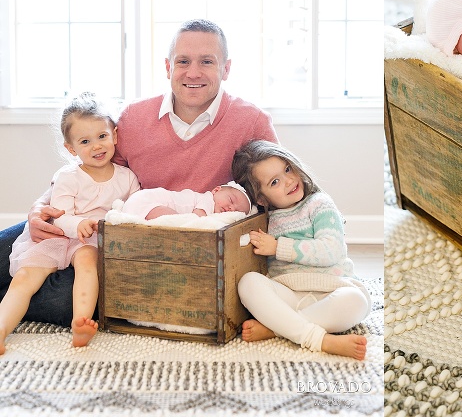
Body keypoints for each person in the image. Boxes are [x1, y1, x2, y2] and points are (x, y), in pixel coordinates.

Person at [0, 19, 279, 328]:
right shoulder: (134, 117)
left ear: (226, 69)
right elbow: (92, 171)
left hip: (150, 254)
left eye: (207, 62)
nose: (193, 72)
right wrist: (41, 206)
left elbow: (277, 194)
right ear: (167, 67)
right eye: (183, 61)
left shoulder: (252, 122)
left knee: (64, 300)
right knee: (5, 254)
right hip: (89, 223)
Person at [0, 93, 140, 353]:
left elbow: (130, 211)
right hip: (58, 236)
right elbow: (59, 214)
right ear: (71, 148)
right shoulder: (68, 175)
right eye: (85, 141)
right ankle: (2, 328)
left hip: (90, 242)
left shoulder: (127, 178)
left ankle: (81, 322)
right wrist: (78, 224)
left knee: (88, 263)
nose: (96, 146)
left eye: (102, 136)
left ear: (115, 135)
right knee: (25, 276)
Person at [232, 140, 370, 360]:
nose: (288, 181)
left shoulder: (319, 204)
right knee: (248, 282)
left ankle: (277, 329)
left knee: (356, 300)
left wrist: (278, 247)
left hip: (332, 289)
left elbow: (331, 250)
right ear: (261, 198)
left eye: (287, 169)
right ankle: (318, 338)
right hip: (289, 294)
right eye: (275, 182)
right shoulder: (264, 219)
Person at [121, 181, 252, 220]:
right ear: (216, 190)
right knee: (177, 223)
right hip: (147, 202)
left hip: (139, 201)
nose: (231, 208)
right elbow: (196, 221)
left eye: (236, 211)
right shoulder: (207, 200)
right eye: (231, 200)